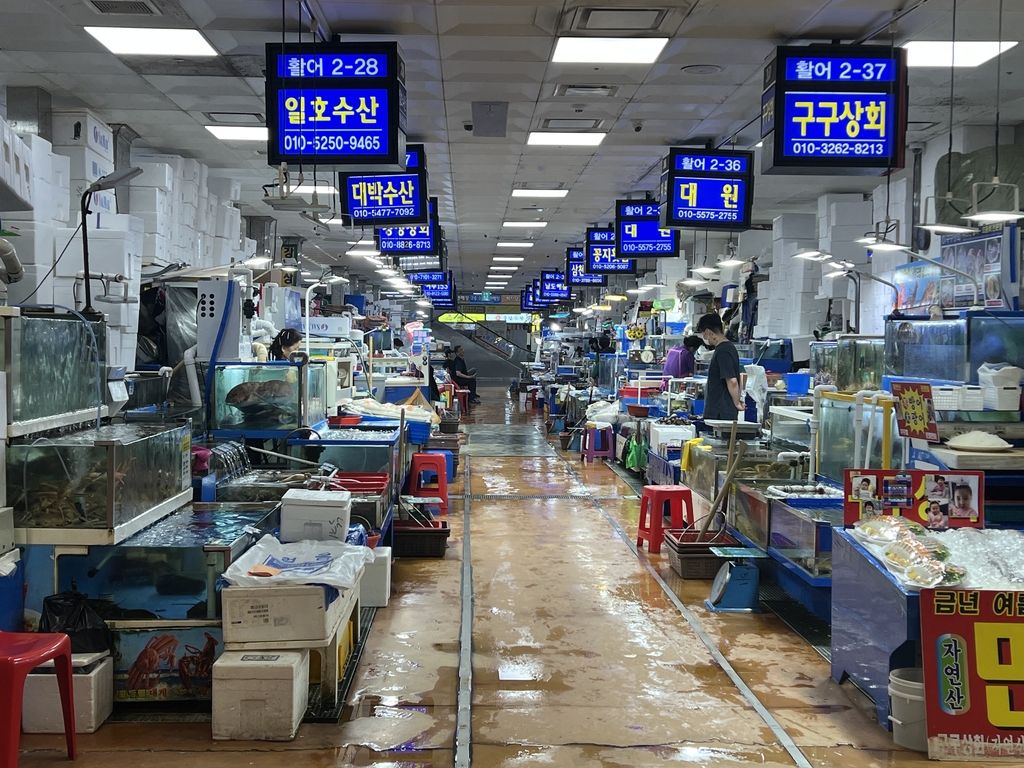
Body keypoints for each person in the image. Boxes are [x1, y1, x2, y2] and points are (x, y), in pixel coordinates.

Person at [695, 312, 744, 421]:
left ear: (708, 332)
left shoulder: (723, 351)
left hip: (720, 413)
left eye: (703, 333)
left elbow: (732, 380)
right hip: (721, 411)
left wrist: (736, 402)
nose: (703, 337)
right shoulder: (728, 348)